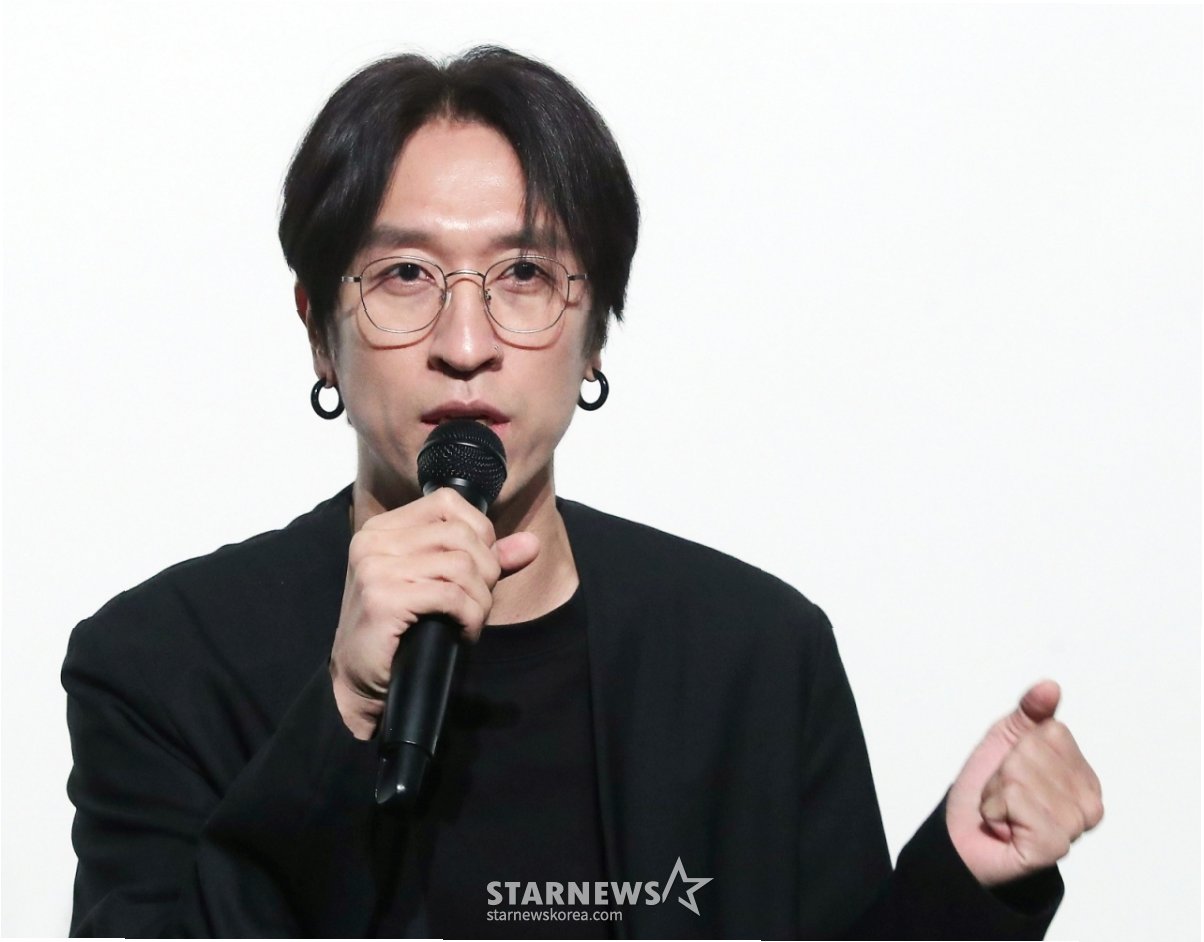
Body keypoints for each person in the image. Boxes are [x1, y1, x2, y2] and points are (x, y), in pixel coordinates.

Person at [62, 46, 1103, 939]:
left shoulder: (752, 655)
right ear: (317, 333)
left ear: (594, 326)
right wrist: (343, 714)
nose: (465, 344)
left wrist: (966, 883)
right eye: (404, 275)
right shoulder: (159, 666)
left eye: (523, 275)